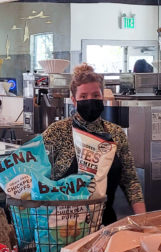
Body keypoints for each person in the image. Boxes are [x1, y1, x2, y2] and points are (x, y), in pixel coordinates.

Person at [43, 63, 145, 224]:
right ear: (74, 100)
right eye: (83, 97)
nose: (90, 100)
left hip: (104, 224)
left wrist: (143, 220)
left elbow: (130, 181)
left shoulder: (115, 133)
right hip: (62, 226)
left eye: (95, 96)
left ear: (102, 97)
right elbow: (39, 176)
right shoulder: (57, 132)